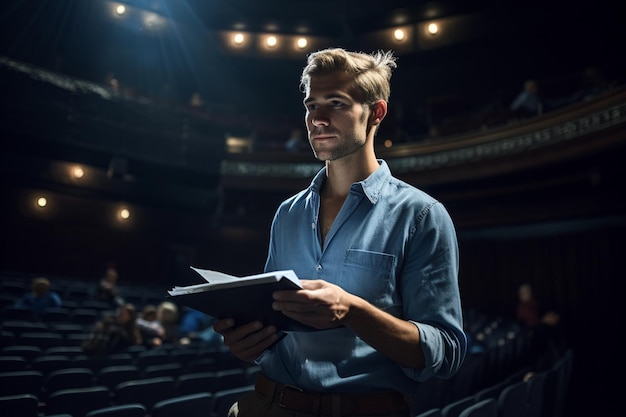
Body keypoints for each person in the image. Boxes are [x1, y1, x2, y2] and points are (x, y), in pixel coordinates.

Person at [213, 48, 467, 417]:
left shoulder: (422, 215)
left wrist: (351, 310)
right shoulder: (287, 213)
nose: (317, 118)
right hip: (268, 403)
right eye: (311, 104)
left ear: (375, 112)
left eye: (335, 103)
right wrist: (251, 342)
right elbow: (274, 325)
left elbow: (445, 352)